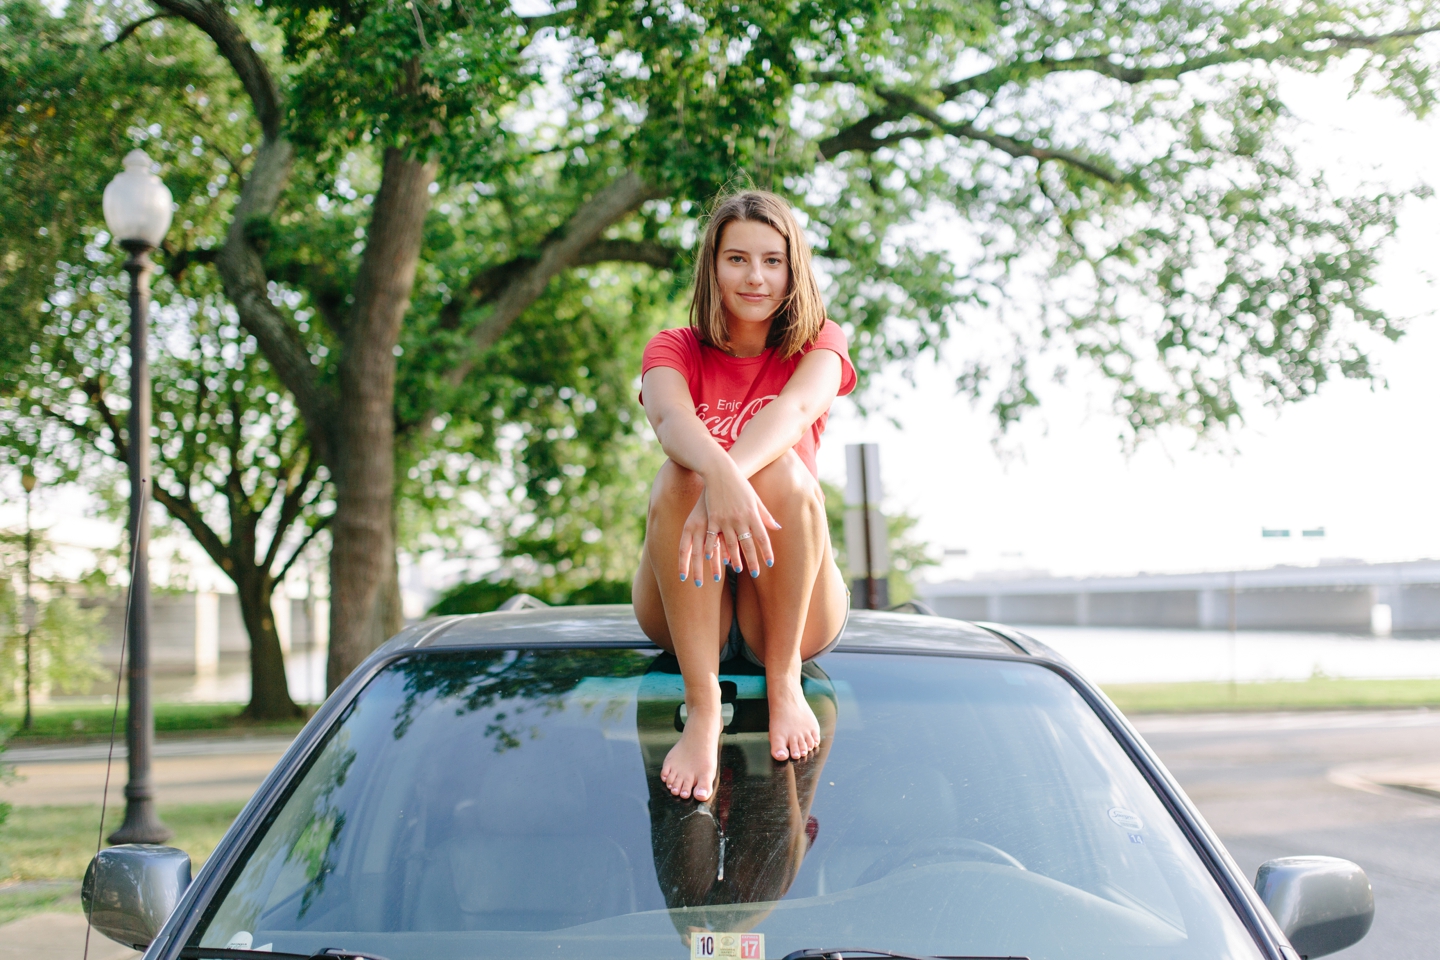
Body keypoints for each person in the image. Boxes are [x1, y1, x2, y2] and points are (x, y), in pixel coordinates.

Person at [632, 189, 857, 802]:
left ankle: (784, 683)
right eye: (737, 259)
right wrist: (719, 477)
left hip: (786, 599)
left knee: (782, 471)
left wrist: (730, 472)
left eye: (772, 260)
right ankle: (703, 709)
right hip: (689, 596)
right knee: (678, 474)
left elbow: (797, 409)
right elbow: (670, 420)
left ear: (793, 269)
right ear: (712, 267)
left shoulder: (819, 343)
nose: (755, 276)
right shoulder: (673, 347)